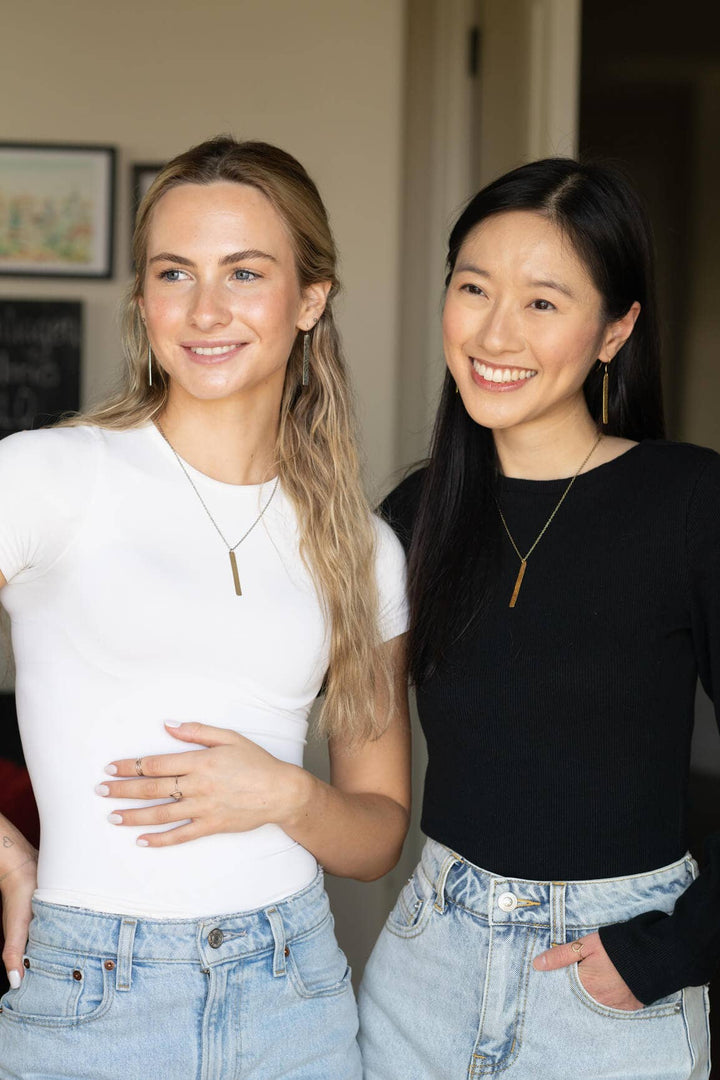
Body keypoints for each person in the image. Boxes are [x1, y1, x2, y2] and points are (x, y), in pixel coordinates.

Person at [0, 135, 410, 1080]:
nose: (205, 310)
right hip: (86, 994)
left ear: (310, 300)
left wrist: (288, 794)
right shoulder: (47, 477)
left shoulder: (362, 548)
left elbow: (378, 836)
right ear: (143, 298)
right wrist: (8, 852)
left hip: (292, 997)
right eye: (174, 272)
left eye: (245, 273)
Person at [358, 157, 718, 1079]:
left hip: (609, 981)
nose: (495, 332)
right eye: (473, 288)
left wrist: (672, 952)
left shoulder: (689, 502)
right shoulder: (413, 514)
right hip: (425, 968)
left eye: (543, 302)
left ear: (615, 331)